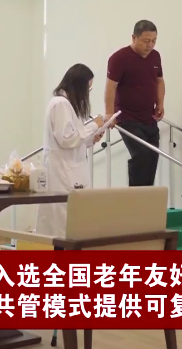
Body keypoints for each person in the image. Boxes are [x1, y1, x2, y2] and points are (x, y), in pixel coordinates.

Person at [35, 64, 105, 237]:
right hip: (62, 175)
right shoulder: (60, 104)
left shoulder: (67, 105)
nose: (87, 93)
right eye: (88, 88)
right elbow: (66, 139)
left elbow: (74, 139)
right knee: (61, 226)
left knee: (71, 224)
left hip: (70, 171)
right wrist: (94, 125)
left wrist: (91, 139)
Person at [104, 19, 164, 187]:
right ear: (134, 38)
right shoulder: (119, 58)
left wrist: (160, 104)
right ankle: (135, 197)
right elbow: (110, 87)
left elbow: (159, 81)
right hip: (127, 117)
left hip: (149, 117)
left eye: (154, 41)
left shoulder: (155, 56)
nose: (150, 45)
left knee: (152, 156)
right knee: (141, 155)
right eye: (146, 41)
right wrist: (109, 114)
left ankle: (147, 197)